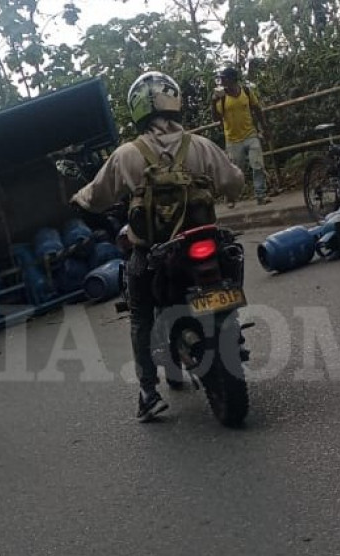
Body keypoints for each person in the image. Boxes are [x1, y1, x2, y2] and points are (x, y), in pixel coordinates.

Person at [72, 71, 244, 421]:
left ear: (138, 111)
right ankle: (232, 331)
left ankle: (148, 392)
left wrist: (79, 201)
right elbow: (235, 184)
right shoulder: (200, 146)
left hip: (153, 254)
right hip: (203, 242)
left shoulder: (126, 155)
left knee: (139, 314)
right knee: (230, 259)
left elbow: (93, 198)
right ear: (175, 101)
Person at [211, 65, 272, 206]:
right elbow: (215, 118)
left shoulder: (246, 91)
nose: (222, 82)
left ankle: (261, 194)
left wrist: (264, 128)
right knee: (235, 171)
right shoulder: (221, 97)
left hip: (250, 134)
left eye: (224, 79)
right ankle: (231, 197)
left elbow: (257, 109)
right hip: (233, 139)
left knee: (257, 165)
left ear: (232, 79)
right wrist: (213, 103)